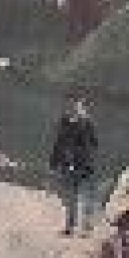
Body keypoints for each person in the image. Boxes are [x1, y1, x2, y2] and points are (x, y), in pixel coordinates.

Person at [47, 97, 100, 235]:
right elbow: (58, 143)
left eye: (79, 107)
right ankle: (70, 225)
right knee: (69, 197)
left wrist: (85, 156)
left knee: (86, 196)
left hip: (84, 166)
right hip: (68, 165)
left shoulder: (87, 124)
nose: (76, 109)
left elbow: (94, 143)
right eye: (74, 107)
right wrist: (54, 163)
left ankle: (86, 227)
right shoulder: (64, 123)